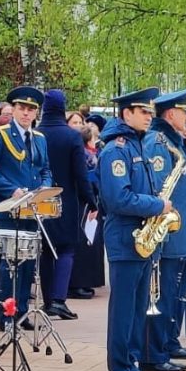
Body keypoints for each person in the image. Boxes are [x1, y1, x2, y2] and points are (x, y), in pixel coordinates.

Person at [99, 88, 172, 371]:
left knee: (138, 306)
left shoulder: (137, 145)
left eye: (149, 112)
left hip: (143, 238)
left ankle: (132, 364)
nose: (149, 117)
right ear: (126, 113)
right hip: (125, 238)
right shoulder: (116, 150)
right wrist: (158, 206)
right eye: (143, 112)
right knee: (124, 309)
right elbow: (119, 198)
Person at [140, 89, 186, 371]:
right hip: (165, 236)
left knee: (172, 293)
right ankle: (153, 354)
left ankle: (166, 343)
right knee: (160, 294)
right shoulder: (159, 143)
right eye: (184, 112)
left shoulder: (175, 141)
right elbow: (160, 188)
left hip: (180, 233)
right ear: (170, 114)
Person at [0, 86, 52, 330]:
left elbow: (45, 169)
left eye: (31, 109)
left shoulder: (39, 138)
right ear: (13, 109)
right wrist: (12, 189)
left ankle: (22, 312)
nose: (26, 113)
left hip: (33, 207)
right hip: (10, 207)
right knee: (12, 262)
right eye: (22, 108)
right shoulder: (1, 135)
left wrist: (44, 187)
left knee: (29, 261)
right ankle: (7, 316)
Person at [36, 90, 97, 321]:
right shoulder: (71, 137)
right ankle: (59, 300)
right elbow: (81, 175)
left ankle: (47, 300)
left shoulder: (36, 133)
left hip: (40, 201)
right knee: (66, 249)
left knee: (45, 251)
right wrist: (90, 200)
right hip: (67, 200)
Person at [70, 116, 107, 299]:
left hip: (89, 201)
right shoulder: (86, 156)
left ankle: (87, 282)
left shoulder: (91, 154)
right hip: (85, 202)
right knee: (85, 244)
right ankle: (80, 283)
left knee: (90, 244)